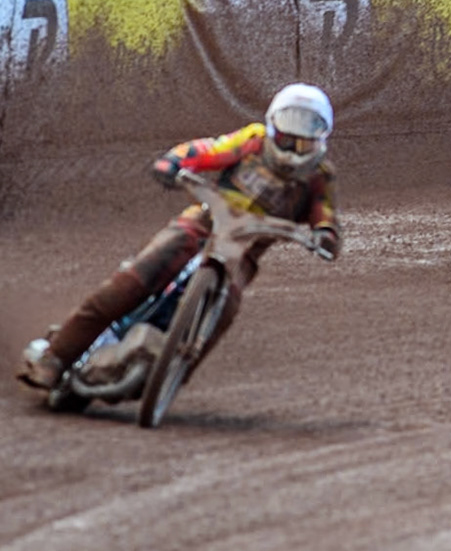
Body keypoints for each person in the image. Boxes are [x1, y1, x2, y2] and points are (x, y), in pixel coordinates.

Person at [16, 82, 342, 390]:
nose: (295, 145)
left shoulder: (318, 176)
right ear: (273, 125)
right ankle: (56, 356)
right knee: (136, 276)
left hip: (245, 250)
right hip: (203, 222)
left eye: (306, 134)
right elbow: (209, 149)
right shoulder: (253, 141)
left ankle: (173, 374)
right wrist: (176, 161)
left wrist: (325, 234)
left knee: (226, 308)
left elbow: (324, 213)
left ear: (322, 137)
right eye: (289, 133)